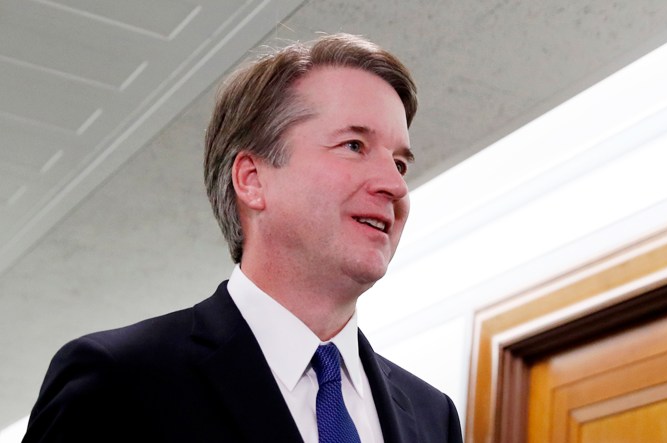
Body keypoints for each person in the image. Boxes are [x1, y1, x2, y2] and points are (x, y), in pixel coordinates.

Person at [23, 33, 463, 443]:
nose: (395, 185)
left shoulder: (433, 417)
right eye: (353, 145)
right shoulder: (119, 378)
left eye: (400, 163)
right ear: (252, 180)